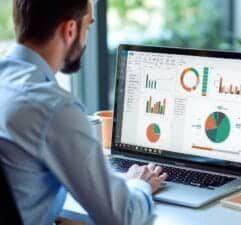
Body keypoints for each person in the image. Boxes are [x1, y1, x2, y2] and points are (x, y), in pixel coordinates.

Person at [0, 1, 167, 225]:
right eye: (87, 26)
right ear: (70, 30)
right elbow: (123, 217)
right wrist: (140, 183)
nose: (86, 36)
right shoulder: (54, 108)